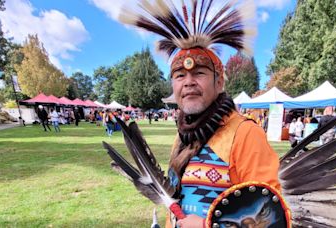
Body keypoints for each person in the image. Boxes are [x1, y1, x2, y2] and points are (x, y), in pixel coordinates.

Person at [119, 2, 280, 227]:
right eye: (179, 75)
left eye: (199, 73)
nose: (188, 82)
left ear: (219, 82)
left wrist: (208, 225)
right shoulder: (183, 136)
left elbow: (273, 218)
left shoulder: (244, 134)